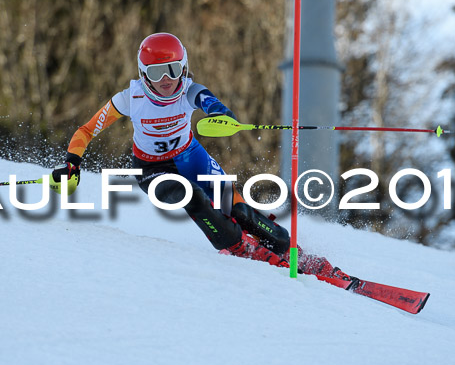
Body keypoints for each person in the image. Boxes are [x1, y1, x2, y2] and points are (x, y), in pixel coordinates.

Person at [50, 32, 334, 275]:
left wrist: (221, 114)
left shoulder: (188, 90)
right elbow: (86, 131)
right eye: (155, 72)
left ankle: (284, 245)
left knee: (238, 209)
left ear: (183, 68)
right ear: (142, 74)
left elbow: (209, 102)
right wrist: (72, 163)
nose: (165, 80)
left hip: (191, 157)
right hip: (153, 171)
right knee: (192, 196)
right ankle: (238, 246)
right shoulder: (130, 98)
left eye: (172, 70)